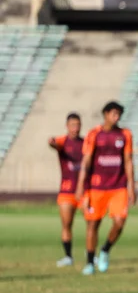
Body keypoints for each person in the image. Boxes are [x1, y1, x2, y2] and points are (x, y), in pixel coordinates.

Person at [75, 102, 134, 276]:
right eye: (114, 114)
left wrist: (132, 187)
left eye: (119, 114)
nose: (116, 117)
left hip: (118, 186)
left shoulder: (125, 134)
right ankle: (89, 263)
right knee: (93, 224)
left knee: (119, 222)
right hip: (97, 187)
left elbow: (129, 161)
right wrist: (80, 185)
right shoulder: (94, 134)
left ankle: (106, 249)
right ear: (105, 114)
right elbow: (86, 161)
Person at [49, 112, 83, 268]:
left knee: (92, 223)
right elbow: (54, 143)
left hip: (84, 191)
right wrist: (52, 142)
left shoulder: (86, 143)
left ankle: (91, 254)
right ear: (67, 126)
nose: (75, 128)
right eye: (72, 125)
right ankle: (68, 256)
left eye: (77, 125)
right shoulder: (63, 142)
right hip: (67, 191)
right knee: (67, 224)